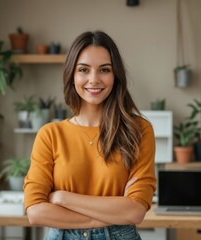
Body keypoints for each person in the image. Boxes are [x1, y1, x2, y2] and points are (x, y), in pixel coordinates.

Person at [24, 31, 156, 240]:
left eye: (104, 70)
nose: (94, 79)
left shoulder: (138, 130)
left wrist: (62, 197)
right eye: (83, 70)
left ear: (116, 76)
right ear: (72, 75)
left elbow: (135, 211)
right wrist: (111, 214)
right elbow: (36, 212)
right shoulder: (50, 135)